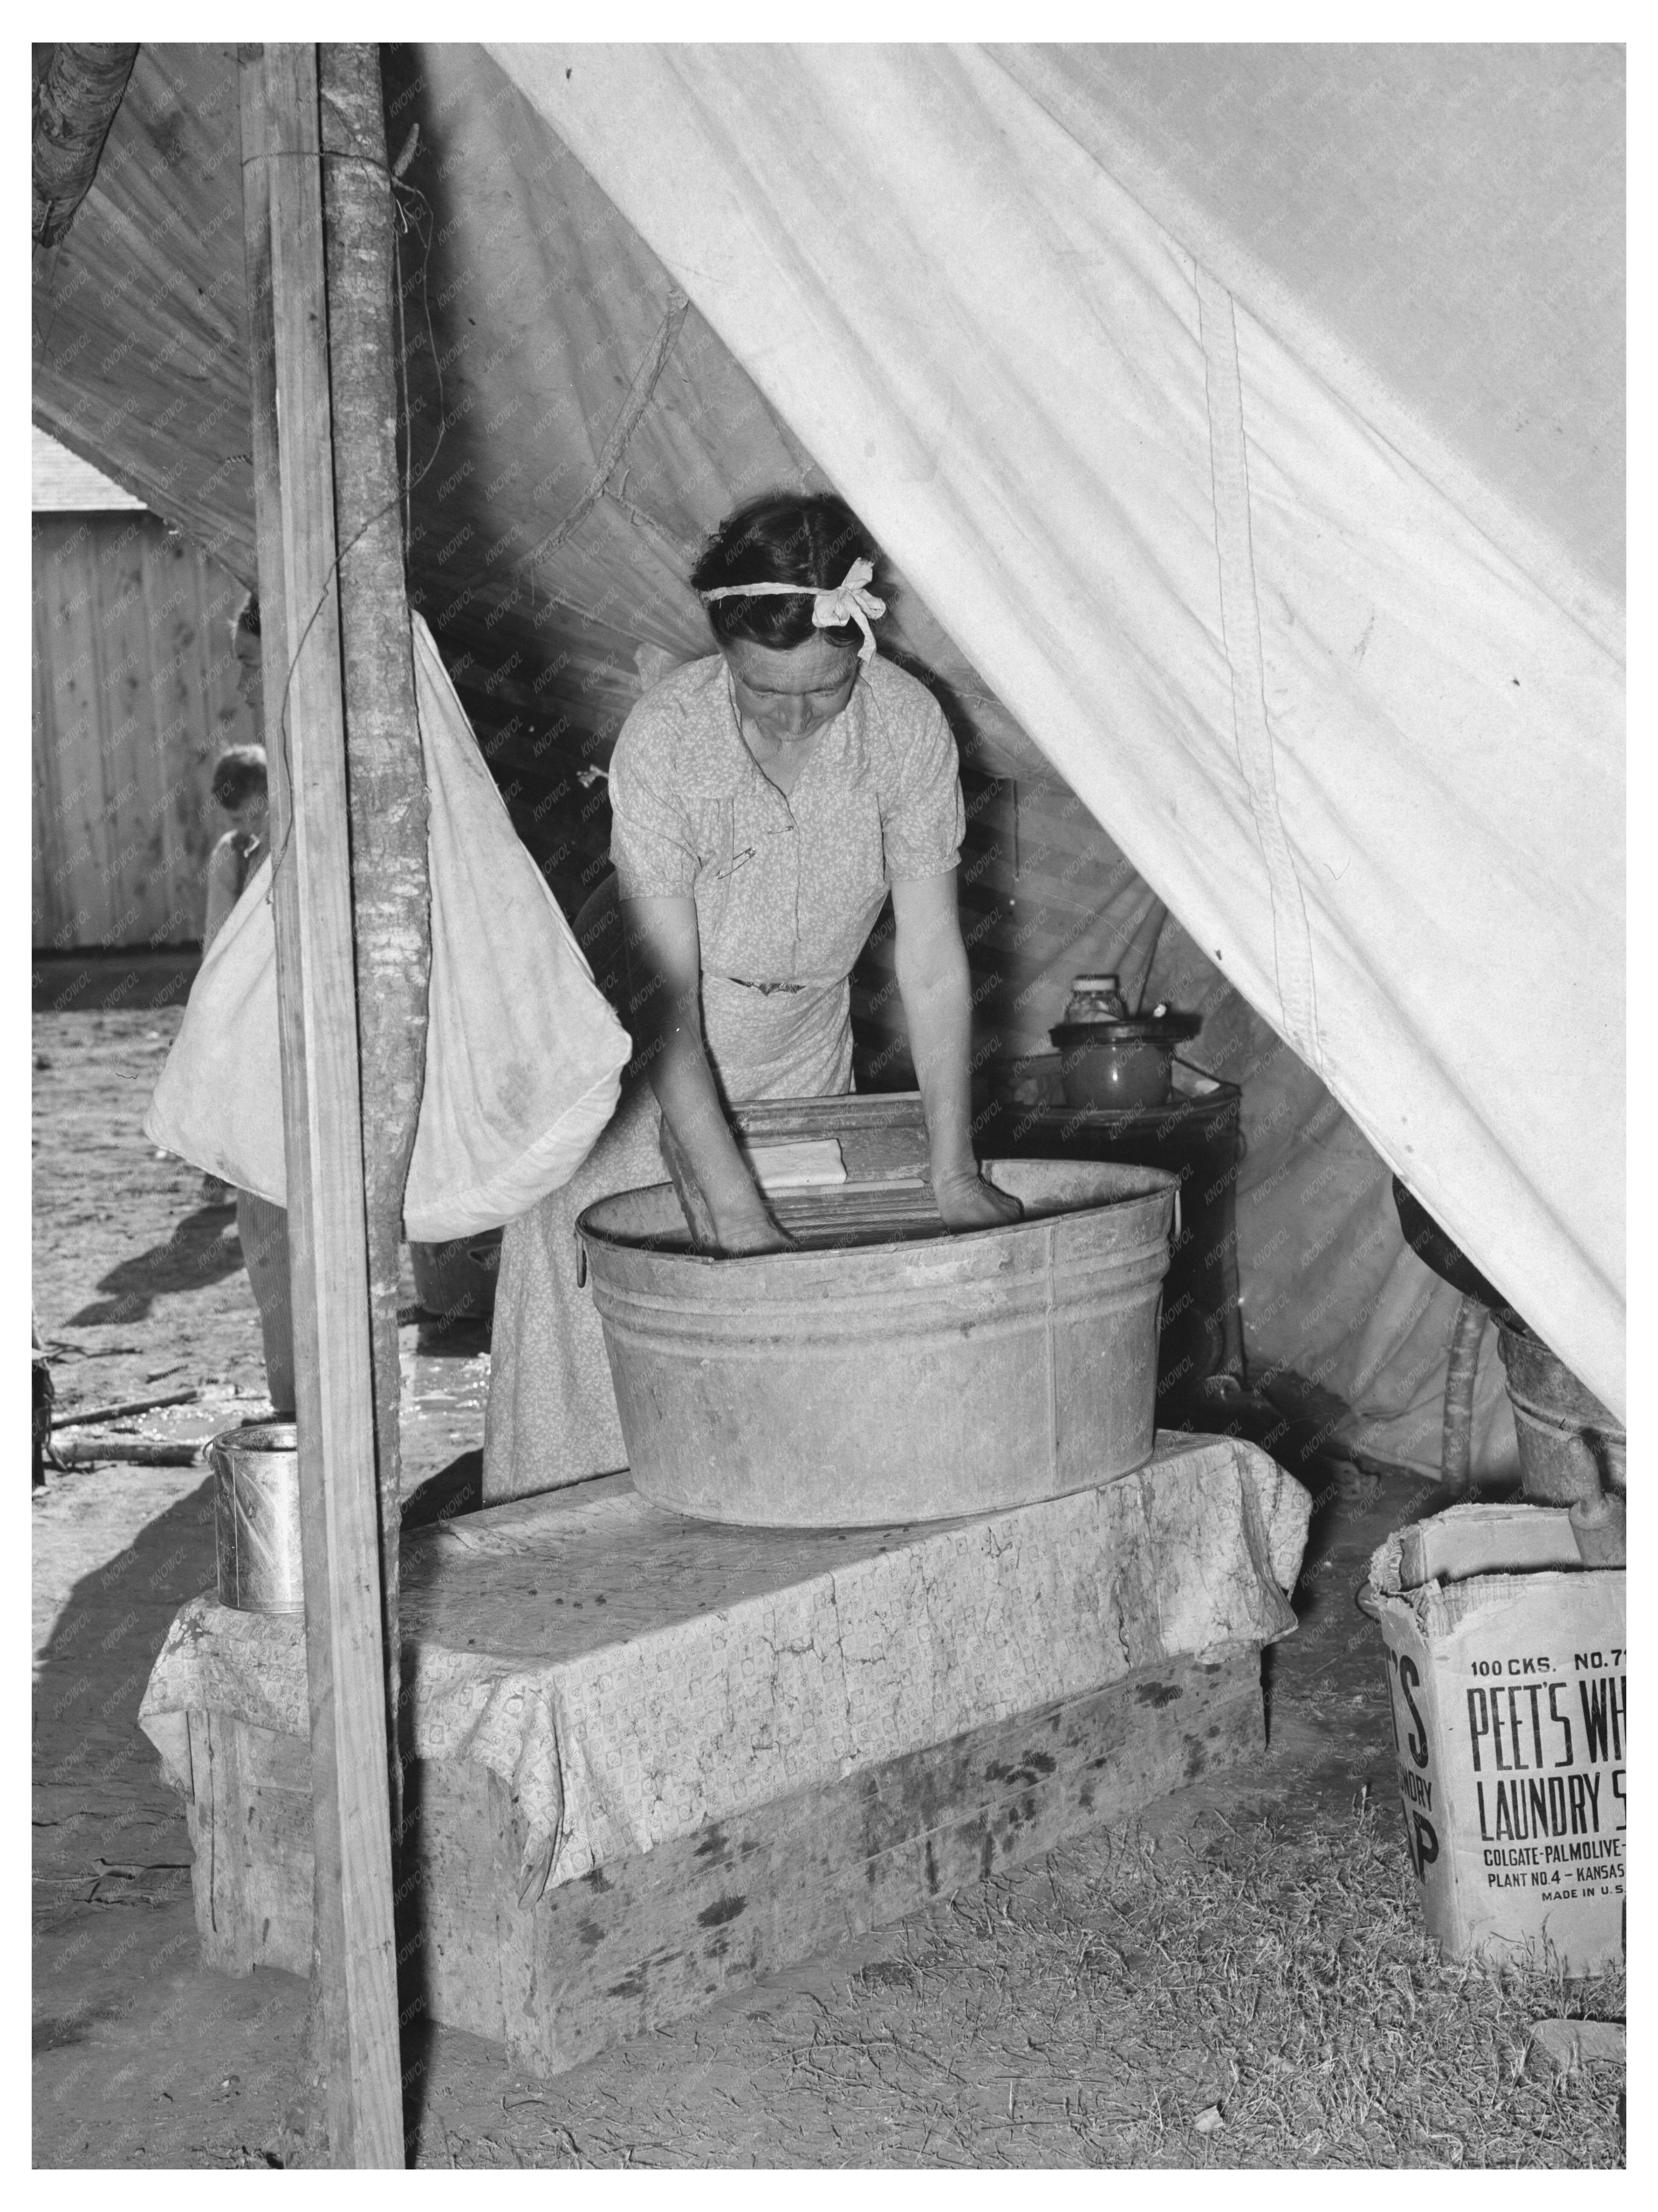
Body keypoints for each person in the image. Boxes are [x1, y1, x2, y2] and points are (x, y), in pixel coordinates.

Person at [483, 491, 1020, 1501]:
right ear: (720, 647)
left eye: (825, 690)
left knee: (775, 1346)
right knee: (611, 1329)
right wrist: (732, 1206)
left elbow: (936, 962)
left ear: (861, 640)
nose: (794, 717)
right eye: (762, 691)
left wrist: (951, 1171)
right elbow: (661, 998)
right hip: (641, 1063)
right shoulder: (670, 737)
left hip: (799, 1044)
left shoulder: (905, 729)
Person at [205, 593, 295, 1417]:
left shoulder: (304, 763)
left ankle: (305, 1413)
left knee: (282, 1236)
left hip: (294, 1047)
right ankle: (300, 1404)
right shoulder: (240, 843)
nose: (239, 681)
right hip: (264, 1043)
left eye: (246, 660)